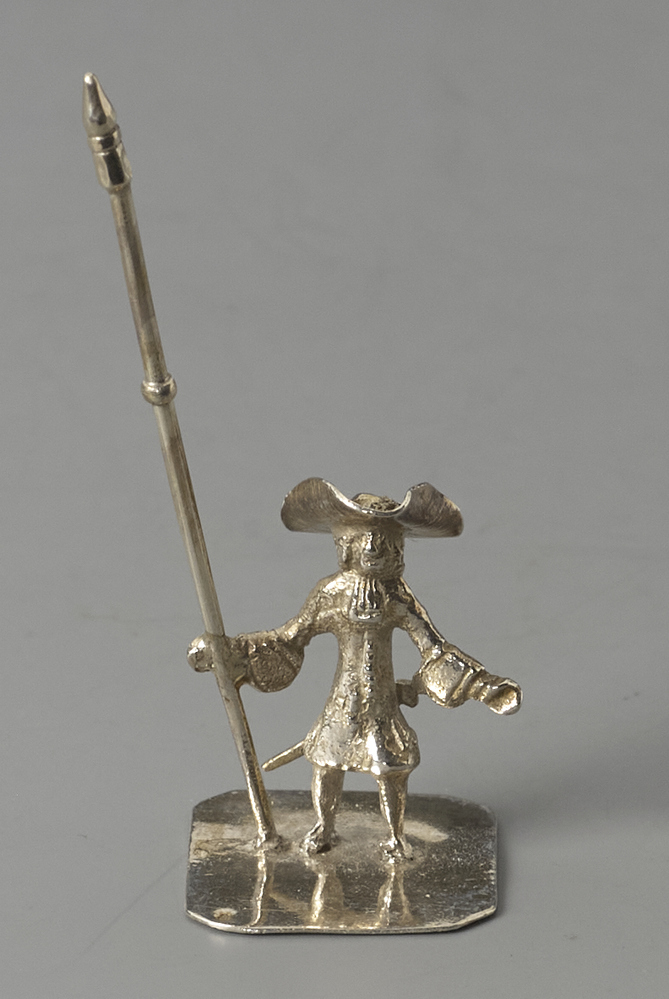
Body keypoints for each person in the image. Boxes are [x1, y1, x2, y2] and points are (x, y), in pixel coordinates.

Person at [189, 478, 521, 860]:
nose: (377, 548)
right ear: (346, 545)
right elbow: (290, 637)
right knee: (327, 763)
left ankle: (395, 836)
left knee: (390, 768)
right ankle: (324, 827)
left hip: (381, 703)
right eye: (368, 539)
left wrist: (479, 685)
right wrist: (233, 653)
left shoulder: (396, 595)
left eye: (386, 541)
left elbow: (433, 648)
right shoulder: (331, 593)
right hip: (344, 701)